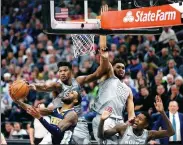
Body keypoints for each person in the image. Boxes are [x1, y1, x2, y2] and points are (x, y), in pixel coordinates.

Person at [91, 5, 135, 144]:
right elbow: (104, 55)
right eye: (118, 67)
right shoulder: (108, 75)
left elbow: (131, 112)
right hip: (104, 118)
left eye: (123, 68)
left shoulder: (128, 90)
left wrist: (132, 122)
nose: (121, 69)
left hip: (120, 121)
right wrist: (103, 28)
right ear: (113, 68)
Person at [12, 90, 82, 144]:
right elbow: (32, 109)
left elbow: (56, 132)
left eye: (72, 93)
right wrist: (18, 101)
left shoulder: (72, 114)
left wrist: (40, 118)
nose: (68, 93)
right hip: (51, 141)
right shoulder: (55, 110)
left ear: (75, 100)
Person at [98, 96, 175, 144]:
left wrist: (162, 112)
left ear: (146, 125)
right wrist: (102, 120)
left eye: (140, 119)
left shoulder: (149, 134)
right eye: (137, 117)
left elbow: (171, 132)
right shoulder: (123, 128)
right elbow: (101, 136)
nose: (136, 120)